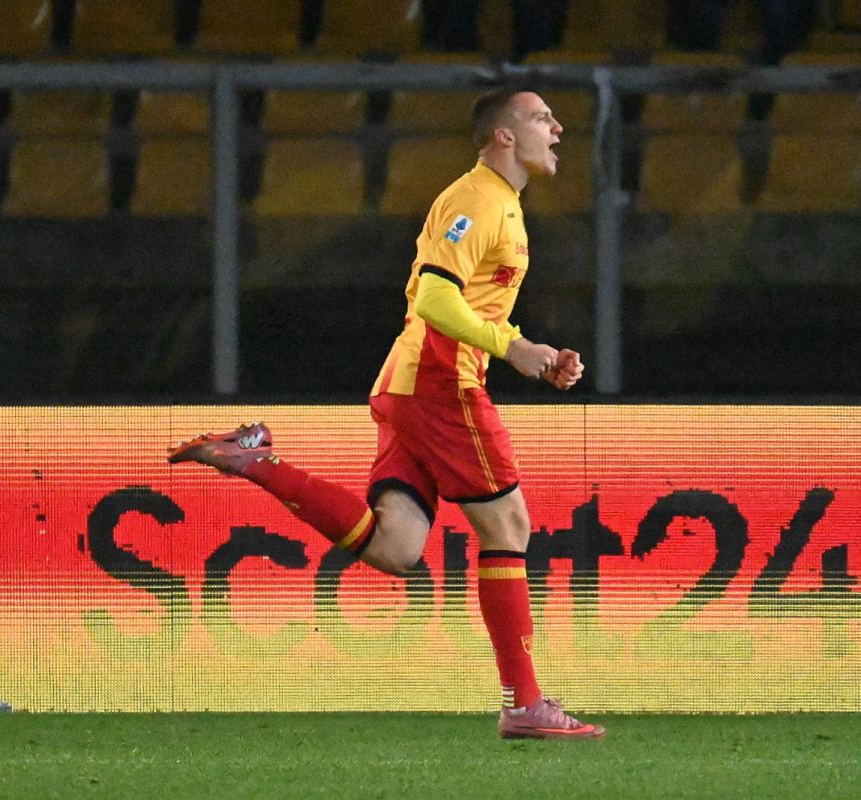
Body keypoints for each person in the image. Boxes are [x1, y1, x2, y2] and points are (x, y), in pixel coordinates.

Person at [169, 88, 603, 741]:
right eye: (543, 117)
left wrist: (532, 352)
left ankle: (258, 462)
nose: (559, 127)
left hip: (410, 382)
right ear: (505, 135)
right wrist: (512, 349)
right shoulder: (477, 200)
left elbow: (469, 303)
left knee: (397, 549)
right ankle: (524, 703)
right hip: (438, 381)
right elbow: (434, 299)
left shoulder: (502, 205)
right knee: (509, 523)